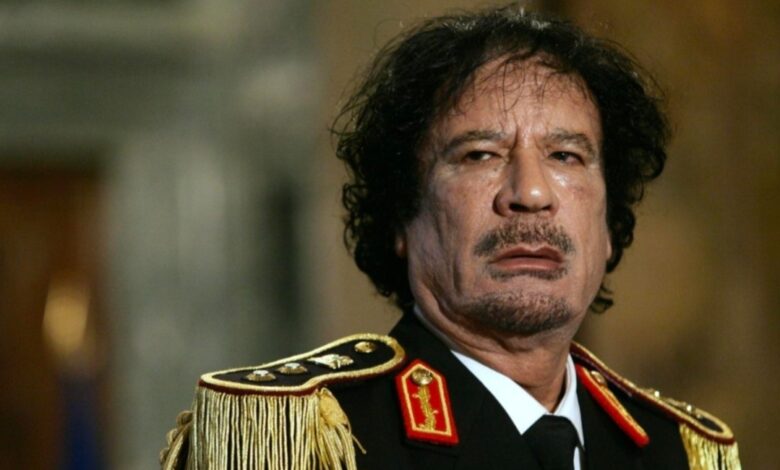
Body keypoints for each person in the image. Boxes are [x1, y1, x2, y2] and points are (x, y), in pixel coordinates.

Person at [160, 6, 741, 470]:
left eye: (566, 155)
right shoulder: (299, 441)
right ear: (401, 216)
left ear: (609, 227)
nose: (530, 193)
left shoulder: (677, 452)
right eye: (480, 154)